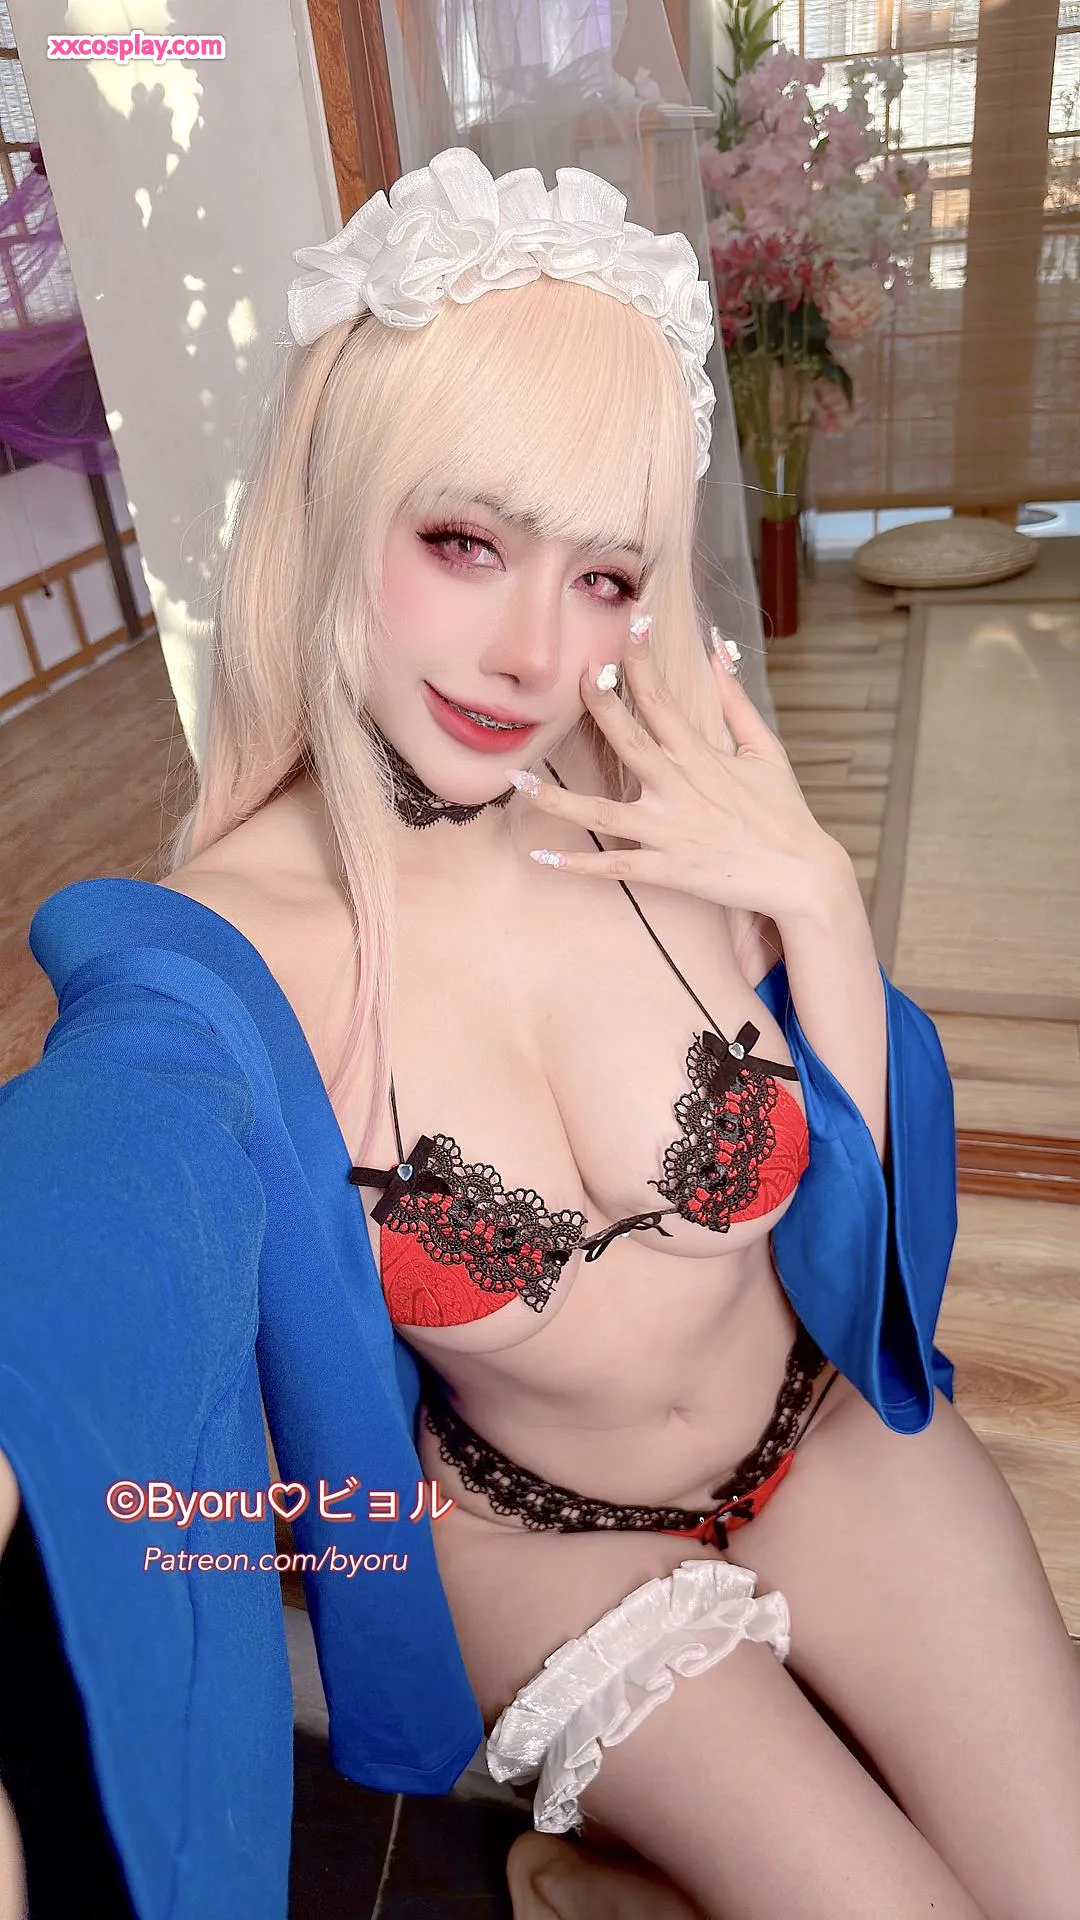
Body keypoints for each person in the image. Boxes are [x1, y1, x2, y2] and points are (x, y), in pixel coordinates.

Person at [2, 147, 1079, 1920]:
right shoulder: (217, 960)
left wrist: (816, 905)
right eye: (465, 543)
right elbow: (78, 1221)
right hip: (546, 1550)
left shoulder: (665, 792)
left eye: (601, 573)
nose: (529, 653)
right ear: (334, 513)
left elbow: (856, 1219)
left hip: (823, 1444)